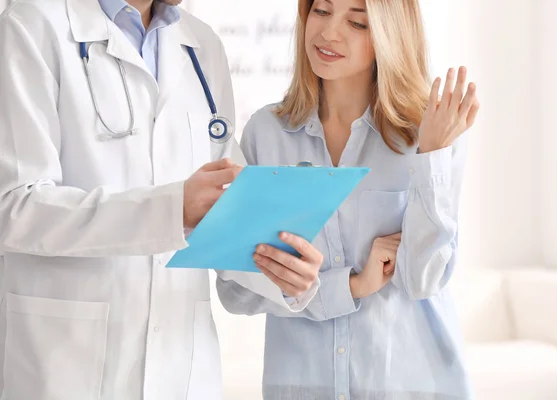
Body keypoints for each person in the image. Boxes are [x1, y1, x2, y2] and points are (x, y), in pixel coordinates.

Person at [0, 0, 324, 398]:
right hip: (68, 365)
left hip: (181, 368)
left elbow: (224, 210)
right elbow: (15, 206)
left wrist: (286, 271)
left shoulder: (200, 44)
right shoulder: (31, 25)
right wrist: (170, 210)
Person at [216, 0, 480, 399]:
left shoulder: (427, 135)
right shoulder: (266, 135)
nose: (329, 33)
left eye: (357, 22)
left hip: (410, 383)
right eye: (321, 11)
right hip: (302, 385)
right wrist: (352, 286)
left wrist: (433, 156)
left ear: (390, 36)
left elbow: (423, 278)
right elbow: (237, 290)